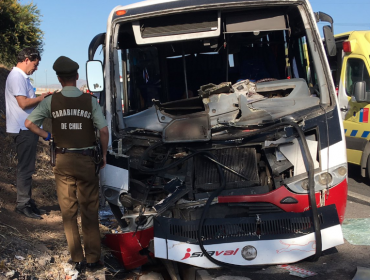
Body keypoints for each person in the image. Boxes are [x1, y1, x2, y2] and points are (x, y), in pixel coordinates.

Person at [25, 56, 109, 272]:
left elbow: (28, 123)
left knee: (68, 211)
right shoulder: (90, 101)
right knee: (90, 210)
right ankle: (92, 259)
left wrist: (47, 135)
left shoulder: (50, 101)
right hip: (87, 160)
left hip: (62, 161)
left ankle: (77, 258)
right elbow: (103, 130)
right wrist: (105, 155)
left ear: (59, 79)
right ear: (77, 77)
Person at [5, 47, 49, 219]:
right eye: (35, 64)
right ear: (26, 59)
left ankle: (27, 202)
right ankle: (22, 204)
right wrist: (41, 98)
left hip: (26, 128)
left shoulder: (22, 77)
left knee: (28, 167)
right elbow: (23, 103)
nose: (35, 68)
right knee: (25, 168)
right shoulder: (16, 76)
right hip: (23, 129)